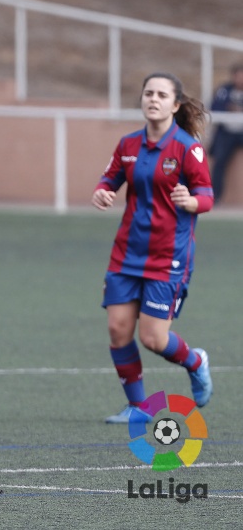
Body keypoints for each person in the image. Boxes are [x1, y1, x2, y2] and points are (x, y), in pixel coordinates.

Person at [91, 72, 214, 424]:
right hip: (127, 252)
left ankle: (195, 362)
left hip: (168, 257)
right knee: (118, 329)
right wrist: (103, 192)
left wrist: (191, 201)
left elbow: (207, 196)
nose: (153, 99)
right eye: (149, 93)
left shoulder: (187, 148)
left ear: (175, 105)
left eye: (161, 95)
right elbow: (109, 179)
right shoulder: (128, 144)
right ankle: (139, 407)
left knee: (154, 339)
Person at [209, 62, 243, 203]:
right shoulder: (224, 90)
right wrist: (228, 108)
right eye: (238, 76)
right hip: (226, 132)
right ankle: (215, 197)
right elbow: (214, 107)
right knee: (219, 161)